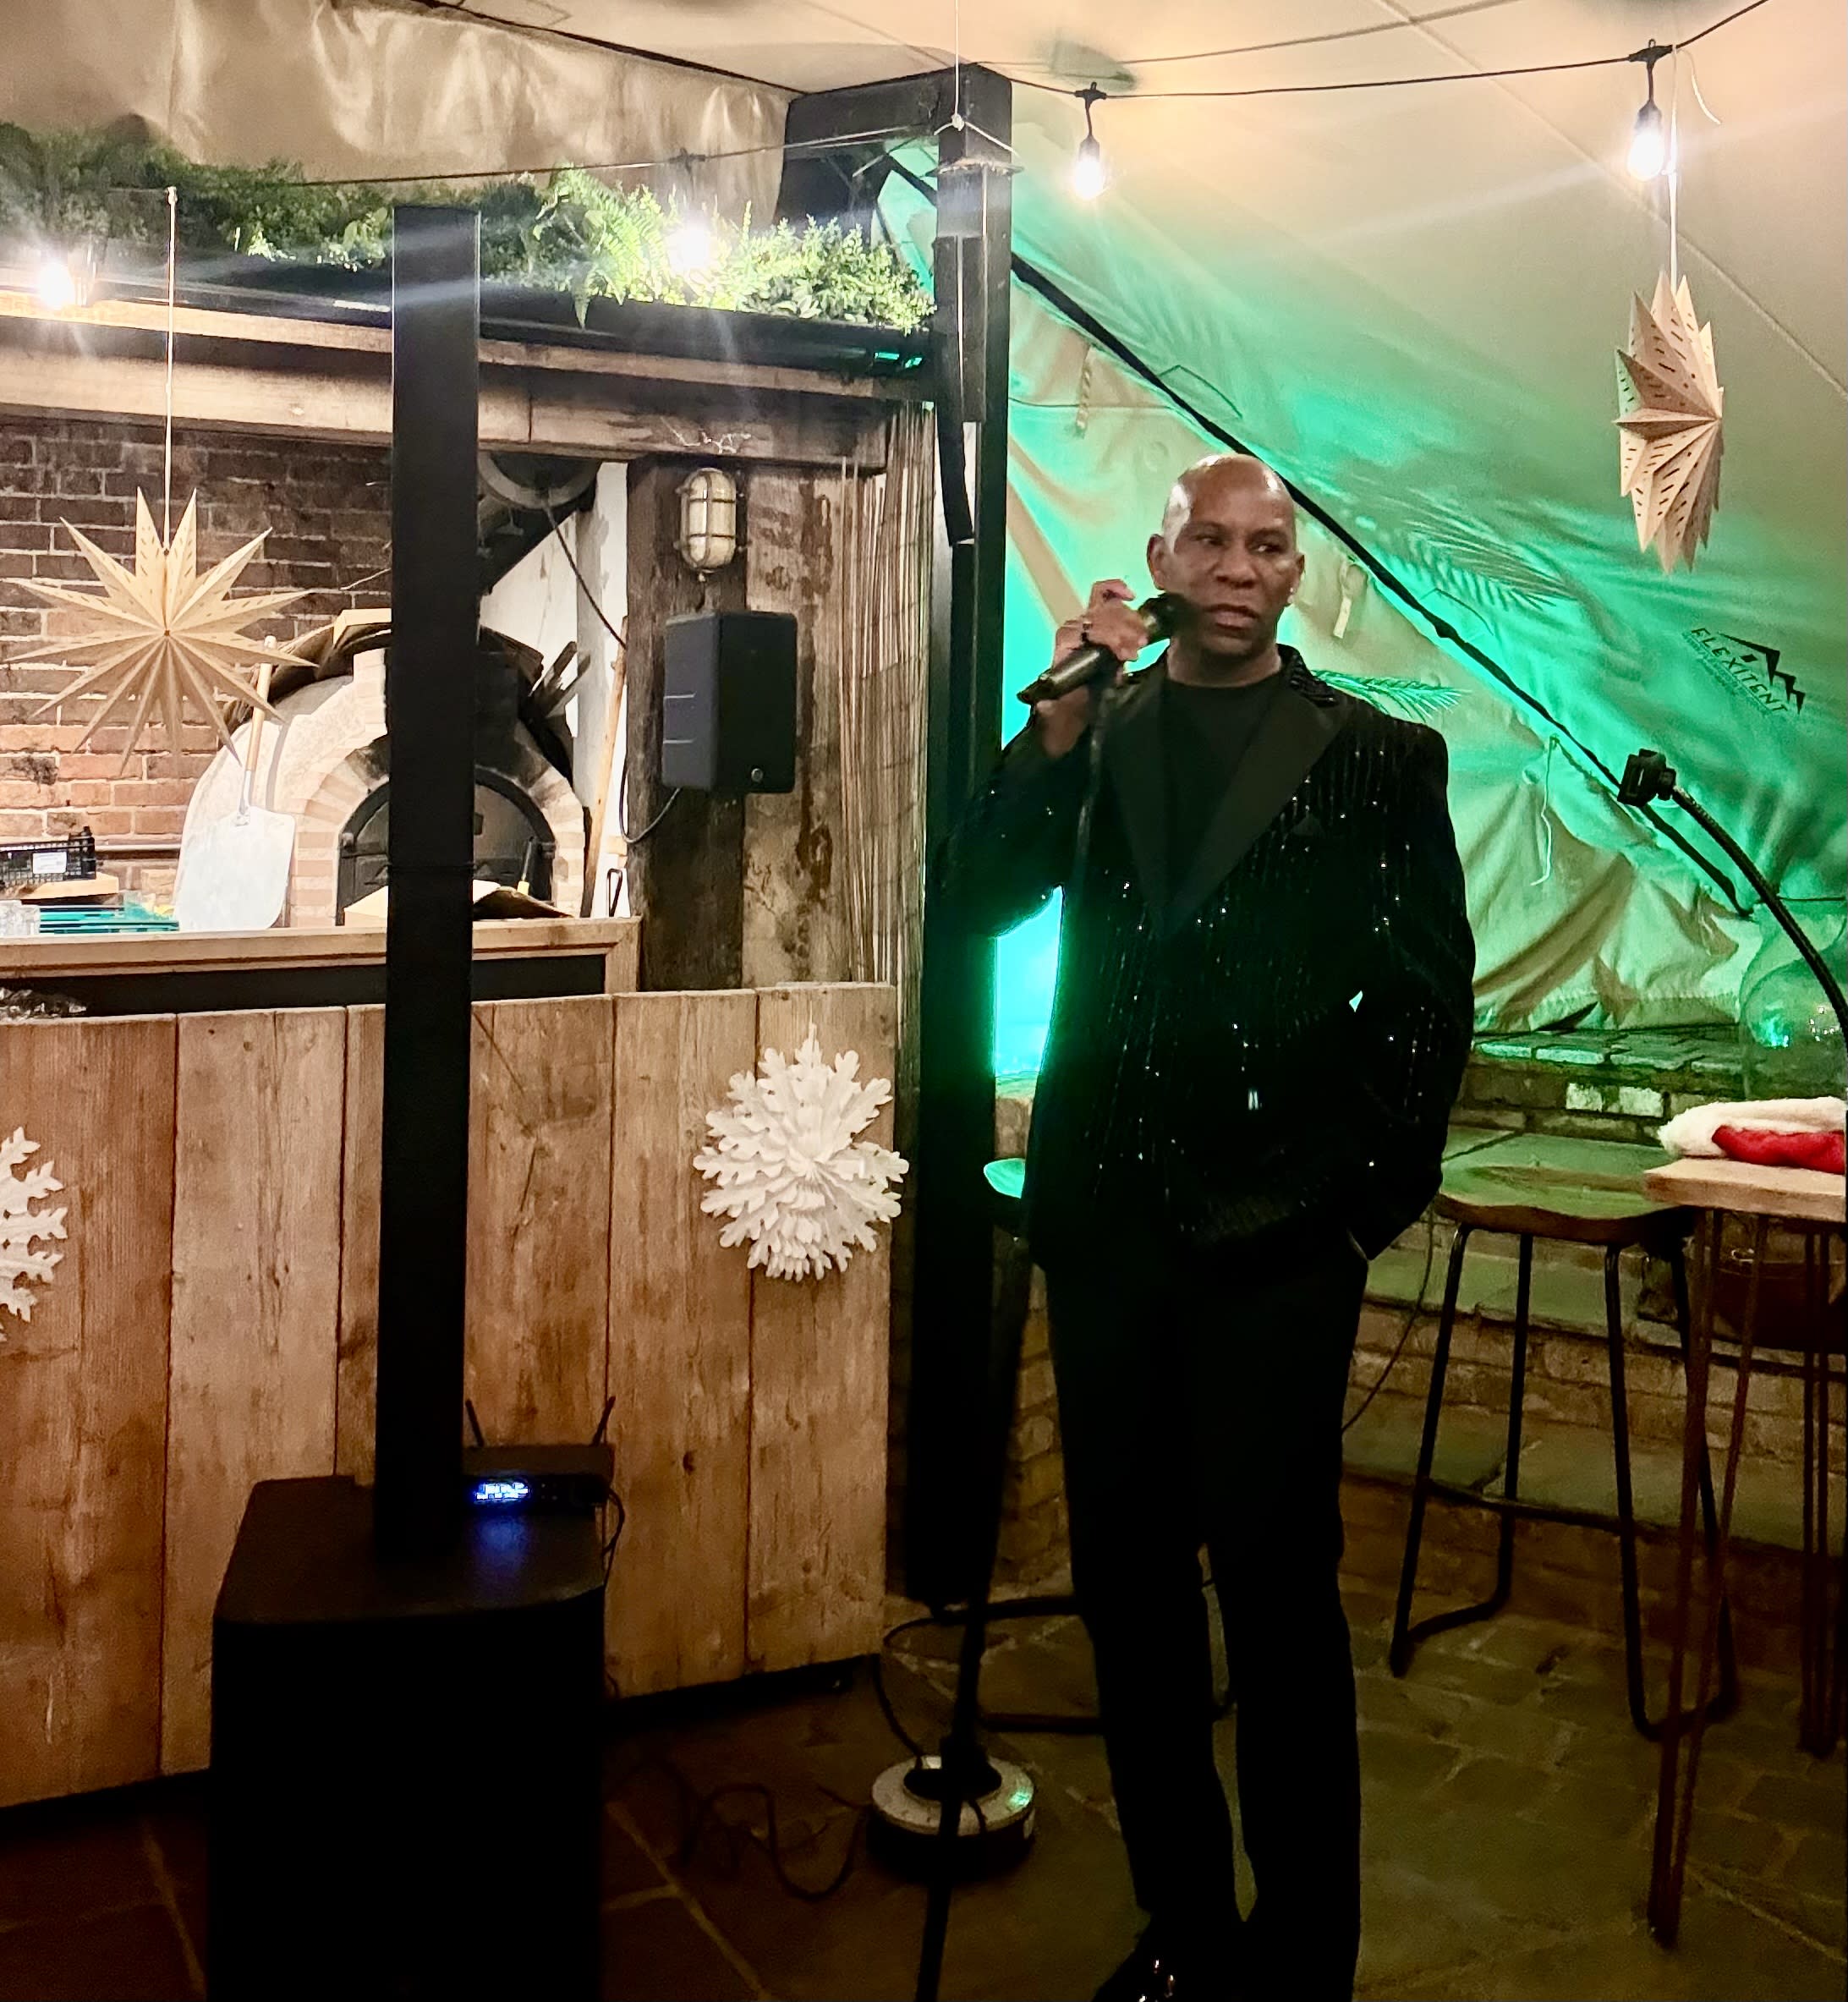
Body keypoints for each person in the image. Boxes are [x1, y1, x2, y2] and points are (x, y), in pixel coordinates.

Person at [943, 454, 1476, 1999]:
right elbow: (973, 905)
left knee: (1279, 1603)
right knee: (1129, 1598)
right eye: (1212, 541)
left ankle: (1302, 1961)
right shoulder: (1090, 730)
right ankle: (1182, 1930)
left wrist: (1361, 1209)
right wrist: (1047, 737)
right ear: (1160, 557)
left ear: (1294, 572)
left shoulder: (1380, 757)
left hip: (1282, 1242)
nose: (1241, 568)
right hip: (1106, 1228)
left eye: (1269, 547)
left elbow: (1427, 1005)